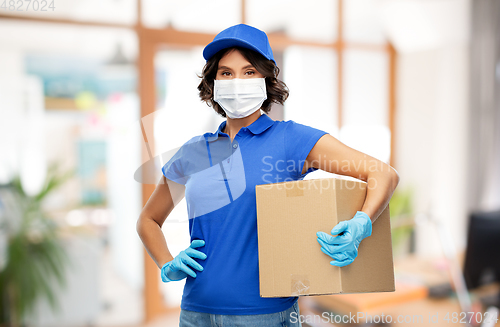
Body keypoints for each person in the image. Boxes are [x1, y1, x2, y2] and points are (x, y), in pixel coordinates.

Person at [136, 24, 400, 327]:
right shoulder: (194, 151)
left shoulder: (292, 140)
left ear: (266, 79)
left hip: (266, 315)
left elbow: (382, 173)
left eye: (249, 72)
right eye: (226, 72)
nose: (237, 81)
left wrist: (362, 222)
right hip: (195, 313)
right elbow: (148, 220)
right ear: (212, 82)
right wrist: (167, 263)